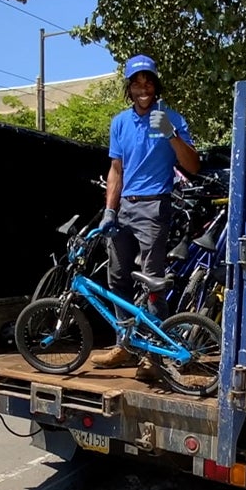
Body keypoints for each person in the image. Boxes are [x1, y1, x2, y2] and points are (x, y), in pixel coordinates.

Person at [91, 53, 200, 379]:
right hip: (125, 207)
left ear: (155, 85)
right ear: (129, 87)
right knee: (117, 279)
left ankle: (152, 356)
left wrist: (171, 134)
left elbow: (192, 166)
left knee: (153, 281)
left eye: (148, 82)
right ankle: (125, 345)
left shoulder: (172, 118)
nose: (143, 88)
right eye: (136, 83)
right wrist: (110, 210)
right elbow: (116, 170)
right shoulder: (120, 122)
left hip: (155, 206)